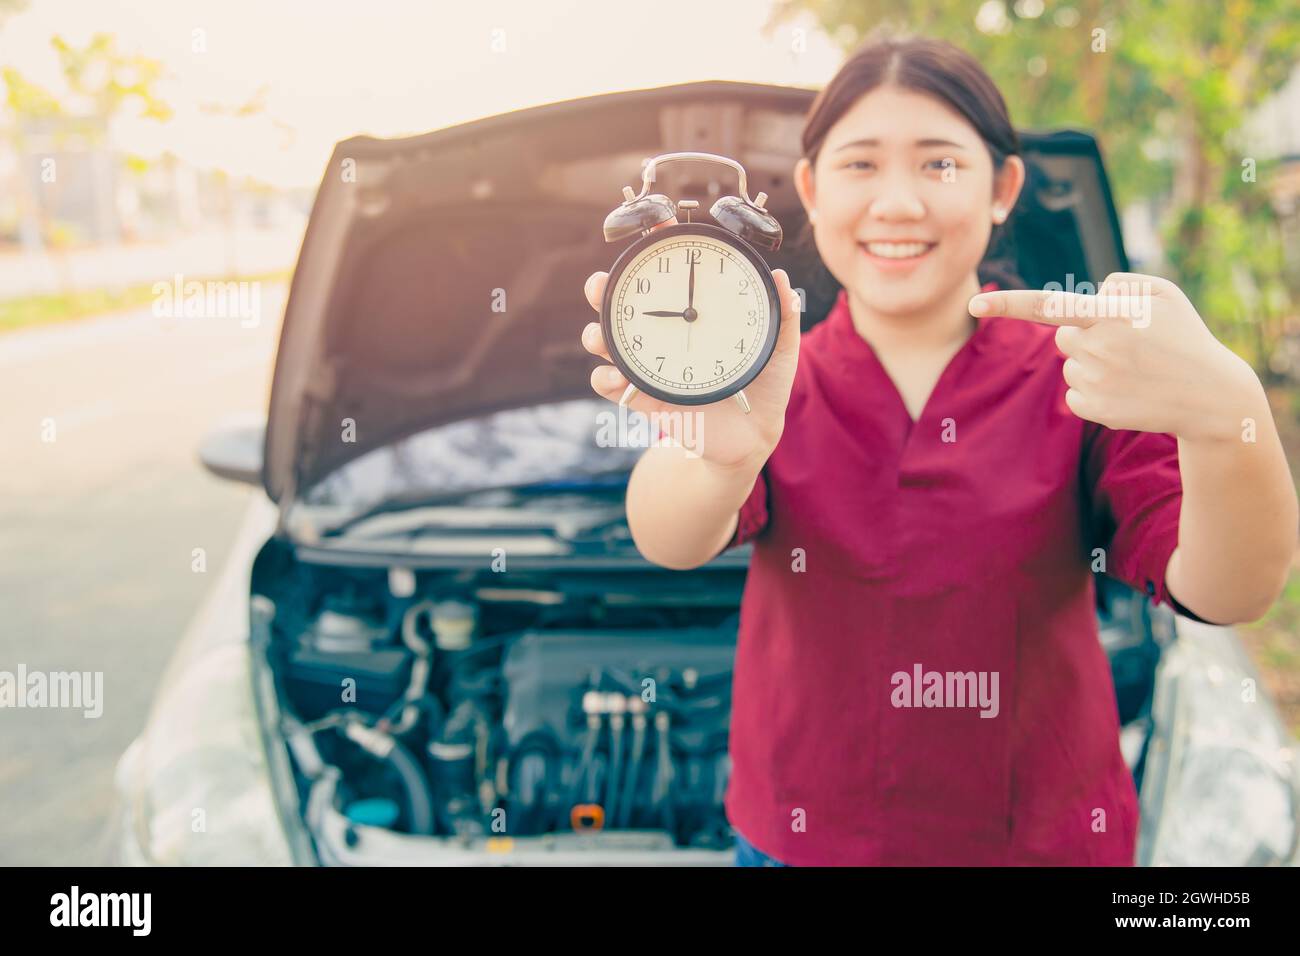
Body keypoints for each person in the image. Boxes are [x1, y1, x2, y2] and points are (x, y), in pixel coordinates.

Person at [579, 35, 1298, 866]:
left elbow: (1229, 589)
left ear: (1005, 189)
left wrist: (1231, 420)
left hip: (1038, 844)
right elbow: (668, 536)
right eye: (859, 165)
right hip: (801, 840)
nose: (897, 204)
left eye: (939, 165)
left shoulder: (1089, 371)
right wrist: (721, 460)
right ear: (810, 189)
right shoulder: (771, 380)